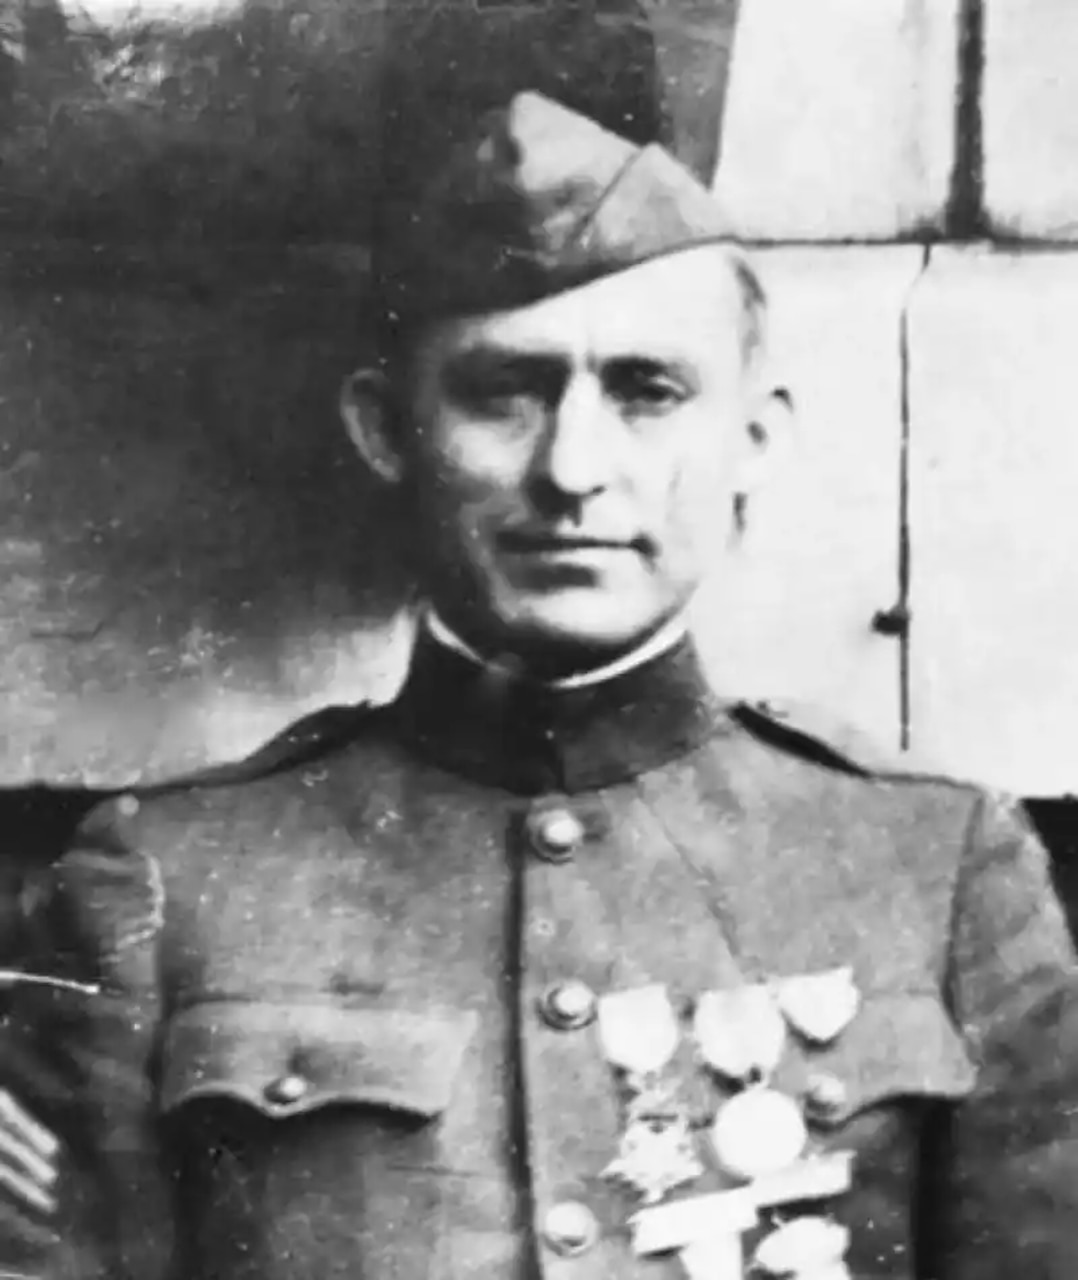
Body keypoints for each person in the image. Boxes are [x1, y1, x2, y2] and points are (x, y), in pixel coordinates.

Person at [2, 21, 1078, 1280]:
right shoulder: (160, 883)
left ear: (757, 439)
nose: (574, 468)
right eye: (503, 390)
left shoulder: (939, 870)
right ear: (386, 429)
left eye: (647, 390)